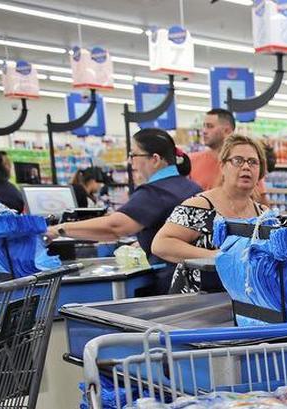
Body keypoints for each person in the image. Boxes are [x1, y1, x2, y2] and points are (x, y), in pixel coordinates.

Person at [45, 129, 201, 293]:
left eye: (134, 155)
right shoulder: (190, 186)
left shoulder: (155, 192)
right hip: (195, 281)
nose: (130, 161)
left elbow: (115, 227)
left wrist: (59, 229)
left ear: (155, 159)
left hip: (171, 284)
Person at [152, 134, 269, 293]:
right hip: (197, 304)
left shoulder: (264, 215)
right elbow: (161, 244)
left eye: (253, 162)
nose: (246, 167)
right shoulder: (202, 206)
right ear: (222, 166)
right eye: (238, 160)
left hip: (243, 303)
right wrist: (215, 256)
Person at [189, 107, 236, 191]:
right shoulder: (191, 161)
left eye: (210, 126)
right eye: (204, 126)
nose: (204, 131)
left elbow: (261, 200)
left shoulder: (245, 162)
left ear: (227, 131)